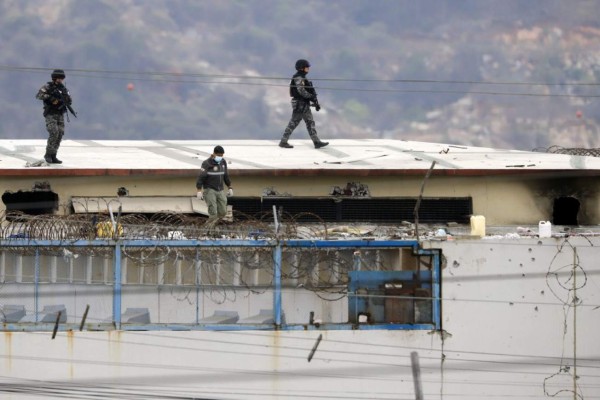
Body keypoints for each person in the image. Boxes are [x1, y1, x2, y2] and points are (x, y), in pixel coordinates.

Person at [279, 59, 329, 149]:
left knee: (309, 122)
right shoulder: (298, 77)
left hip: (303, 103)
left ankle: (316, 141)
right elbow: (301, 91)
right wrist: (311, 97)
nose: (308, 68)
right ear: (302, 68)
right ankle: (283, 141)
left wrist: (314, 101)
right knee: (294, 122)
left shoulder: (302, 77)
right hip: (300, 104)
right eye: (307, 67)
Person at [36, 69, 75, 164]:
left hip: (60, 114)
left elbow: (69, 100)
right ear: (54, 78)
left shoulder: (64, 89)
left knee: (60, 133)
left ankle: (54, 155)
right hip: (50, 113)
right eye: (59, 78)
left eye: (62, 78)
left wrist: (66, 100)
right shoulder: (48, 87)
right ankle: (48, 154)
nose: (61, 80)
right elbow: (39, 95)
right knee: (54, 132)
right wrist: (50, 98)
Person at [196, 145, 233, 226]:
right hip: (210, 190)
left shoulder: (223, 162)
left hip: (220, 190)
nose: (220, 157)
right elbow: (201, 177)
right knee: (213, 213)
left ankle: (211, 227)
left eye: (221, 155)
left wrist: (229, 187)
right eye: (218, 155)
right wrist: (199, 190)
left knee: (223, 212)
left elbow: (226, 175)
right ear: (214, 154)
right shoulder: (207, 163)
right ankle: (206, 231)